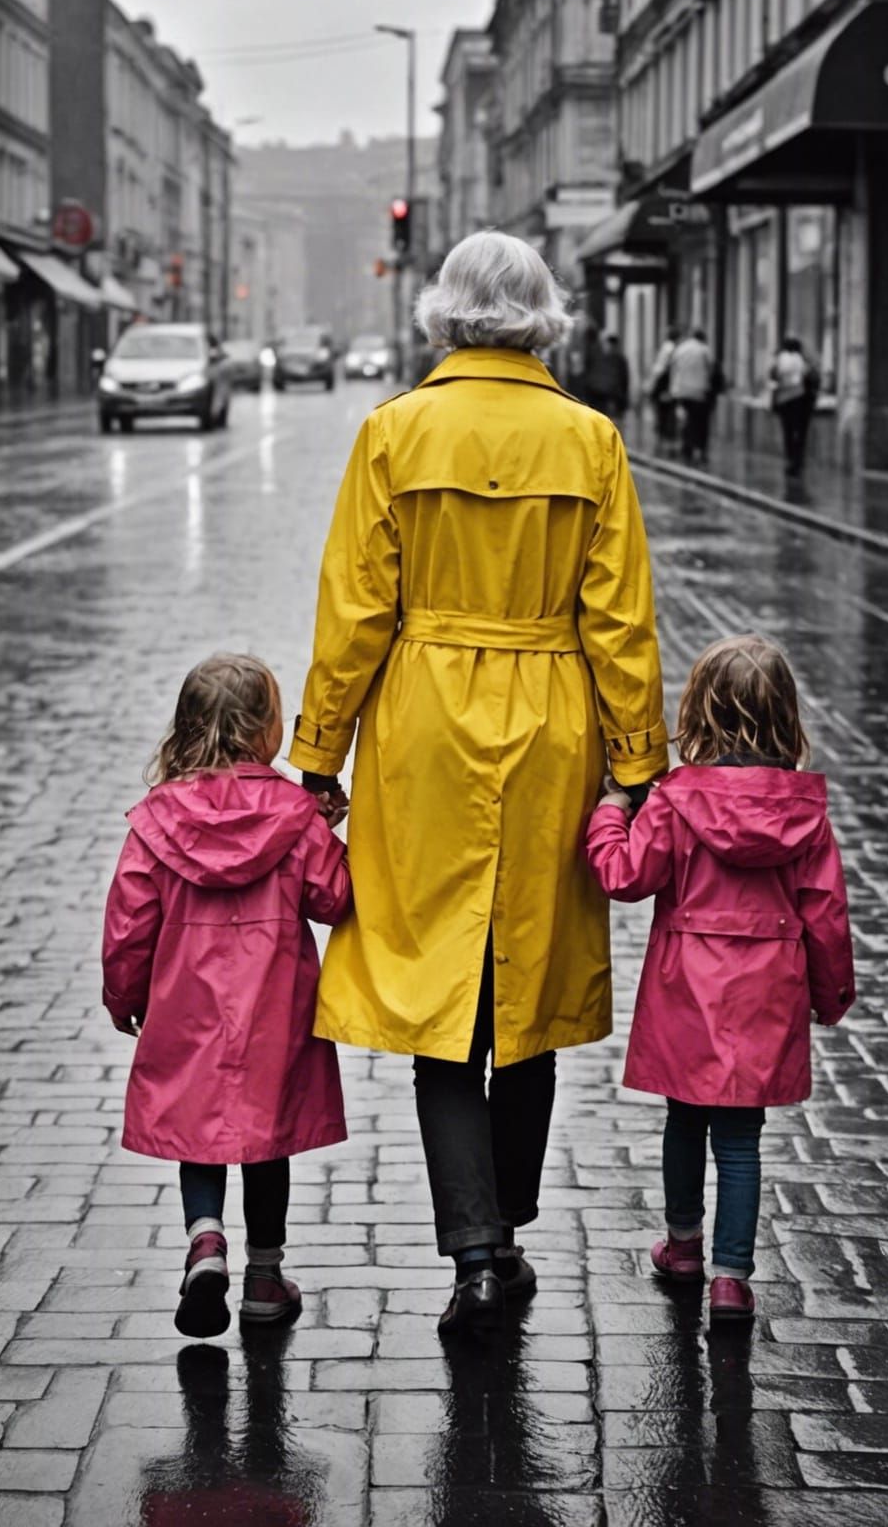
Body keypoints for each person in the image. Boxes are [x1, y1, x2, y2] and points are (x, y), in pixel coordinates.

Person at [290, 230, 667, 1337]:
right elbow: (622, 623)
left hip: (424, 728)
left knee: (438, 995)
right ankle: (508, 1224)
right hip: (552, 720)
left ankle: (478, 1252)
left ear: (445, 312)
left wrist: (318, 756)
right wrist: (639, 764)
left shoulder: (394, 433)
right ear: (543, 314)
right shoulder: (590, 440)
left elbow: (354, 612)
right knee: (527, 990)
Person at [583, 634, 855, 1328]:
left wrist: (612, 811)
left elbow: (624, 876)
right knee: (740, 1138)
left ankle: (682, 1245)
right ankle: (731, 1279)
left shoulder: (675, 803)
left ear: (699, 715)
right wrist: (830, 995)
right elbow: (825, 914)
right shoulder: (804, 814)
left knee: (685, 1118)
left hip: (687, 993)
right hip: (767, 992)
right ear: (785, 719)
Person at [101, 653, 352, 1339]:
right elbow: (334, 898)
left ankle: (206, 1241)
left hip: (187, 1004)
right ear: (266, 730)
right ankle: (265, 1279)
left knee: (201, 1131)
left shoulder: (157, 820)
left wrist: (124, 993)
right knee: (268, 1141)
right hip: (277, 1006)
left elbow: (130, 919)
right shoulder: (293, 816)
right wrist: (322, 829)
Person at [770, 335, 819, 478]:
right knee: (801, 433)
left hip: (785, 401)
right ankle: (798, 460)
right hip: (803, 402)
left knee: (788, 432)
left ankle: (791, 460)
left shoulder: (781, 359)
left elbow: (773, 376)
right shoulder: (804, 361)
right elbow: (813, 378)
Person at [669, 327, 717, 466]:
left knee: (686, 421)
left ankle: (686, 447)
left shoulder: (681, 349)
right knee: (700, 422)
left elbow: (673, 369)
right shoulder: (704, 349)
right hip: (699, 392)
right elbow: (711, 369)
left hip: (682, 391)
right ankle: (700, 449)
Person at [648, 325, 680, 449]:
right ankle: (665, 441)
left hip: (663, 384)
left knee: (663, 413)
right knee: (665, 413)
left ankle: (662, 440)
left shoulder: (667, 348)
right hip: (665, 385)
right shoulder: (670, 349)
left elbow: (658, 368)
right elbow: (662, 368)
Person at [586, 332, 631, 422]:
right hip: (600, 395)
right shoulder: (619, 359)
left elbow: (624, 380)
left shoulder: (618, 359)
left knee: (605, 420)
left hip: (608, 396)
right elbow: (625, 380)